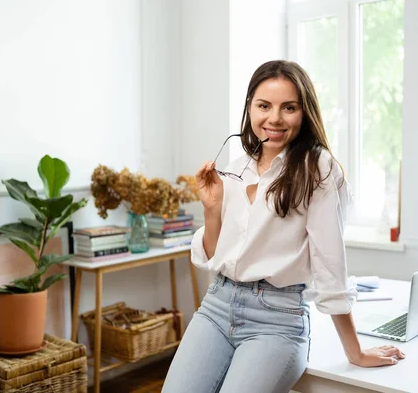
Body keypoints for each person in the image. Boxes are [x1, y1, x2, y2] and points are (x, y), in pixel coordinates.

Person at [162, 60, 405, 393]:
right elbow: (211, 257)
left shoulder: (316, 168)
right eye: (264, 106)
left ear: (304, 113)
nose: (274, 118)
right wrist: (212, 209)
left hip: (276, 320)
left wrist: (356, 351)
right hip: (216, 306)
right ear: (249, 108)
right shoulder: (237, 168)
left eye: (288, 107)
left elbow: (329, 264)